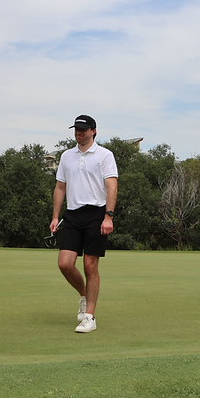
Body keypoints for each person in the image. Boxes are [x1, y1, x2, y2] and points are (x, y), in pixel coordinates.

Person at [50, 115, 118, 333]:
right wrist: (55, 216)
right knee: (65, 264)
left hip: (96, 214)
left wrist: (109, 216)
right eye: (76, 130)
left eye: (83, 130)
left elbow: (112, 186)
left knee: (90, 266)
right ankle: (83, 294)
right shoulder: (67, 156)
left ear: (93, 131)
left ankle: (90, 316)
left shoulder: (104, 155)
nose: (79, 133)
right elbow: (60, 188)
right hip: (72, 214)